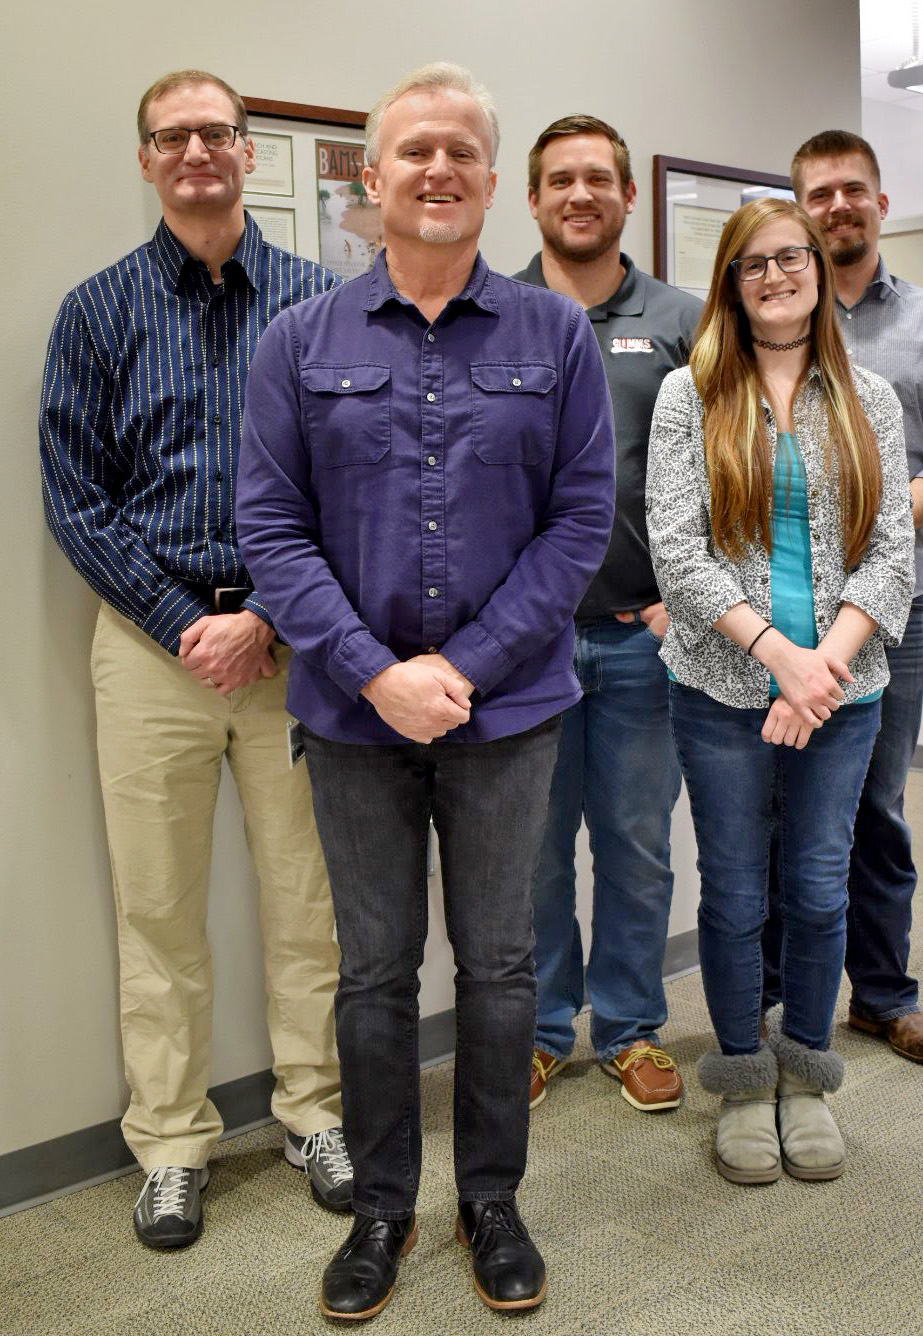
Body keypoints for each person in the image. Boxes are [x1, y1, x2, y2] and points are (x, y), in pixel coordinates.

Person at [236, 64, 614, 1321]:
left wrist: (460, 667)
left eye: (461, 153)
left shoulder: (554, 335)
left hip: (506, 715)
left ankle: (492, 1198)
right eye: (414, 153)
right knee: (374, 973)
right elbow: (272, 530)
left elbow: (579, 523)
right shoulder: (300, 341)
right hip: (351, 722)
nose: (437, 171)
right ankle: (388, 1204)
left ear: (489, 182)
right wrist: (374, 671)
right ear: (373, 177)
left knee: (504, 970)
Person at [39, 70, 349, 1250]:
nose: (197, 153)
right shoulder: (99, 313)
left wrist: (266, 613)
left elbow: (347, 486)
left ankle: (313, 1112)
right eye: (174, 137)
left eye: (217, 132)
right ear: (147, 160)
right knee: (156, 909)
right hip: (150, 651)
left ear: (246, 148)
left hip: (297, 643)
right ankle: (171, 1144)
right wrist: (186, 623)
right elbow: (78, 502)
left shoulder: (321, 305)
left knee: (305, 900)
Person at [646, 198, 914, 1184]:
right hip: (720, 690)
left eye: (790, 258)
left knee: (814, 885)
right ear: (731, 280)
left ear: (817, 268)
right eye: (753, 263)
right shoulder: (690, 394)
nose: (774, 276)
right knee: (734, 891)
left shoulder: (868, 399)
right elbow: (677, 552)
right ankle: (740, 1080)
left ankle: (803, 1075)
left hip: (841, 693)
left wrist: (818, 668)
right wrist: (776, 658)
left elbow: (892, 550)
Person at [764, 130, 923, 1064]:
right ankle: (773, 994)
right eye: (818, 194)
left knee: (878, 805)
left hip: (897, 609)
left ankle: (884, 995)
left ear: (880, 204)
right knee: (777, 804)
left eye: (853, 190)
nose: (838, 206)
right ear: (801, 211)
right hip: (779, 615)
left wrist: (877, 521)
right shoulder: (767, 318)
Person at [515, 116, 701, 1112]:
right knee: (533, 851)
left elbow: (731, 464)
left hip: (641, 636)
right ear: (532, 199)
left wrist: (687, 597)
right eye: (560, 180)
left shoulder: (679, 317)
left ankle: (628, 1028)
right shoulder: (488, 311)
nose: (579, 194)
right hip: (524, 648)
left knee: (634, 845)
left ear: (627, 198)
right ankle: (543, 1031)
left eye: (598, 178)